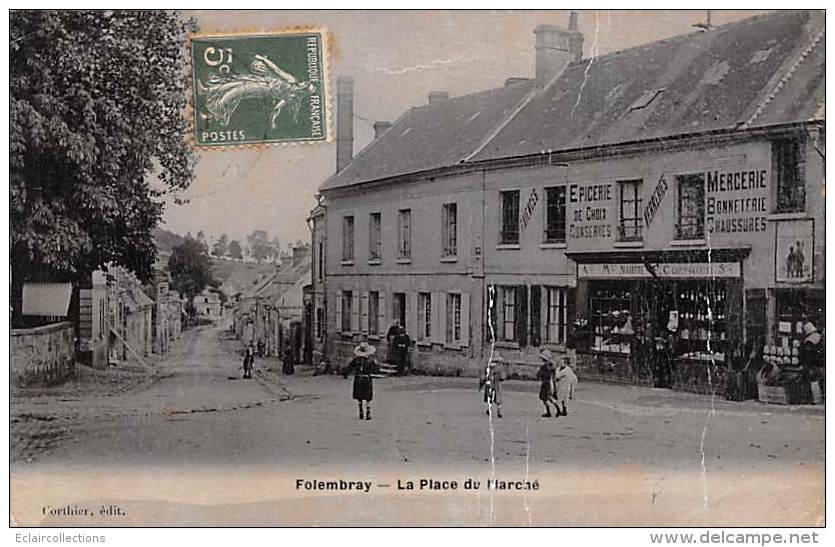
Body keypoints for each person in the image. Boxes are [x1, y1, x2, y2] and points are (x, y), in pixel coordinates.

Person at [343, 341, 379, 420]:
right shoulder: (370, 361)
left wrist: (345, 374)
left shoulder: (356, 360)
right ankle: (368, 413)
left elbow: (349, 368)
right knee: (368, 396)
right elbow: (376, 370)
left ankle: (361, 412)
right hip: (366, 379)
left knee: (359, 395)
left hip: (358, 378)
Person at [479, 351, 505, 418]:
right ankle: (499, 410)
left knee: (490, 397)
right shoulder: (499, 367)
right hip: (497, 384)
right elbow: (502, 376)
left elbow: (483, 377)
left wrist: (481, 385)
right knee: (498, 398)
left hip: (490, 383)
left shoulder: (488, 367)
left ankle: (489, 409)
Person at [537, 349, 557, 417]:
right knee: (549, 396)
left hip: (545, 383)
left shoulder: (544, 367)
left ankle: (548, 412)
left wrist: (539, 373)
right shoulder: (552, 367)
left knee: (545, 398)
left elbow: (540, 375)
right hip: (550, 383)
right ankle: (557, 408)